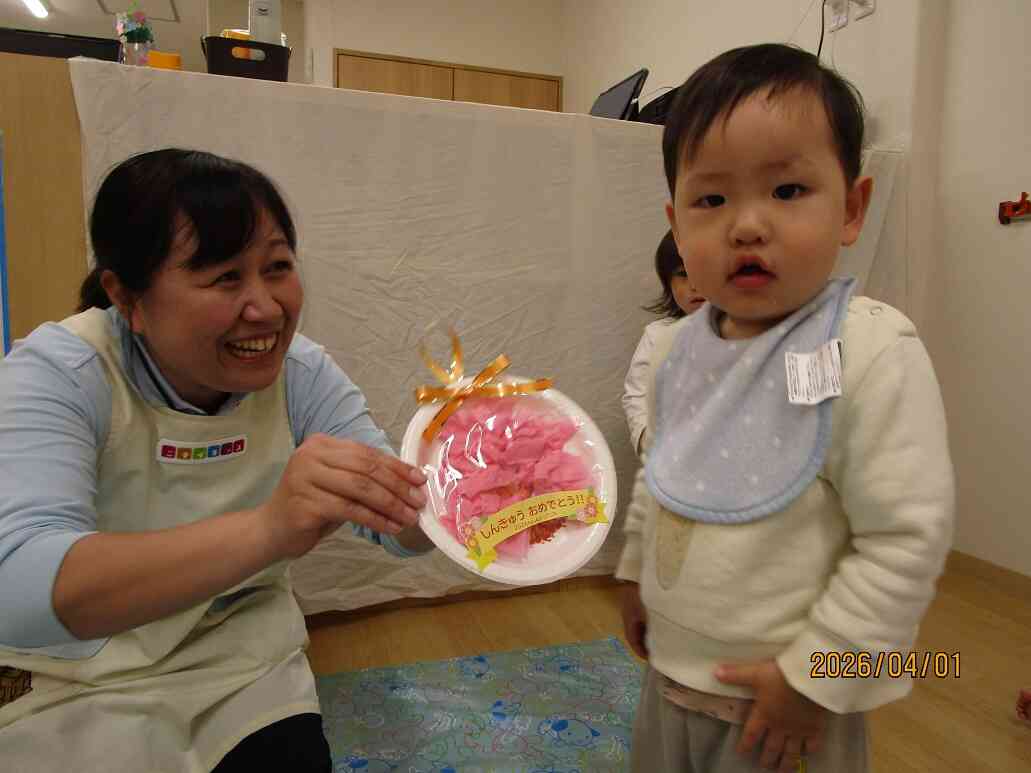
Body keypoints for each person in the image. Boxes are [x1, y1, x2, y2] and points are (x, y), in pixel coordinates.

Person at [0, 148, 435, 772]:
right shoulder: (62, 372)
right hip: (79, 673)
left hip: (241, 661)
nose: (265, 307)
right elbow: (18, 583)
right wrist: (266, 529)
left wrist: (465, 498)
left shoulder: (303, 372)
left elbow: (401, 527)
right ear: (128, 298)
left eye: (278, 267)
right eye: (224, 278)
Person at [616, 44, 954, 773]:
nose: (745, 224)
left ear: (851, 208)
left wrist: (819, 675)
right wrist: (632, 570)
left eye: (787, 191)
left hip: (786, 709)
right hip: (670, 673)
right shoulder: (679, 351)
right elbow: (664, 471)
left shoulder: (867, 350)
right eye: (711, 200)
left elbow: (903, 537)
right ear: (675, 224)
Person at [622, 229, 705, 455]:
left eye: (704, 271)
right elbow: (635, 396)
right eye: (682, 274)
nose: (695, 285)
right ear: (667, 283)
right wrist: (645, 442)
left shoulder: (752, 333)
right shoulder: (657, 336)